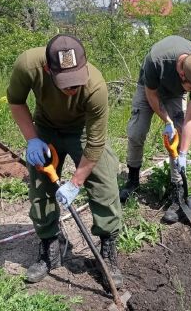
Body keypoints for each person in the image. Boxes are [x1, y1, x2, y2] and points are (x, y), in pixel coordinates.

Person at [7, 34, 123, 288]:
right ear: (49, 70)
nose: (73, 89)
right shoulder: (28, 65)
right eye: (66, 83)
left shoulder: (96, 87)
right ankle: (51, 245)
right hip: (46, 128)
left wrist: (76, 181)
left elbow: (95, 144)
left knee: (105, 184)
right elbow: (16, 102)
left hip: (82, 130)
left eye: (76, 81)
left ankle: (107, 248)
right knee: (40, 188)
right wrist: (32, 139)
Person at [119, 35, 191, 223]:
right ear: (182, 75)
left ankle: (177, 194)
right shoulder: (157, 60)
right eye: (190, 88)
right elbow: (152, 96)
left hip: (173, 94)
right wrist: (167, 121)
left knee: (178, 139)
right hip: (149, 88)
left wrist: (183, 153)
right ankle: (133, 181)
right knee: (136, 133)